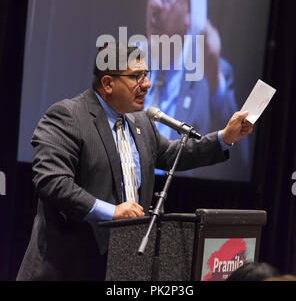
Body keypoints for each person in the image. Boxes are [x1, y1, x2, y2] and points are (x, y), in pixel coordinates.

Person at [17, 43, 253, 281]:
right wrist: (112, 212)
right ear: (108, 83)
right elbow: (52, 182)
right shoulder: (67, 116)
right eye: (136, 77)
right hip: (68, 267)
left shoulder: (140, 122)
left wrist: (224, 138)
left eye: (146, 75)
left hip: (122, 266)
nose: (147, 84)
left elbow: (172, 154)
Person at [144, 0, 248, 179]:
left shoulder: (213, 72)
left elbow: (241, 161)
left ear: (191, 8)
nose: (155, 3)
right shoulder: (127, 63)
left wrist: (213, 79)